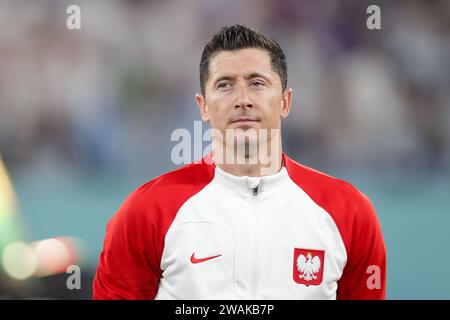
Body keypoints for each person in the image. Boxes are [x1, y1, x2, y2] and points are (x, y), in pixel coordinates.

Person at [93, 24, 386, 300]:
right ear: (203, 107)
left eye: (257, 83)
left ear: (285, 102)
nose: (242, 99)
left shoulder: (349, 213)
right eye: (225, 85)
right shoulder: (147, 212)